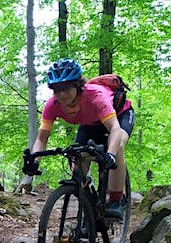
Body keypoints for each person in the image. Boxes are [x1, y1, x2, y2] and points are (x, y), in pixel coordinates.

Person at [24, 58, 135, 219]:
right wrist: (34, 161)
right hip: (90, 123)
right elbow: (42, 138)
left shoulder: (94, 96)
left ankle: (117, 200)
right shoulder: (52, 105)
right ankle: (89, 216)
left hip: (119, 115)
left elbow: (115, 130)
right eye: (56, 89)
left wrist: (110, 154)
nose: (61, 94)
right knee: (78, 164)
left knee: (117, 146)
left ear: (77, 85)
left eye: (66, 88)